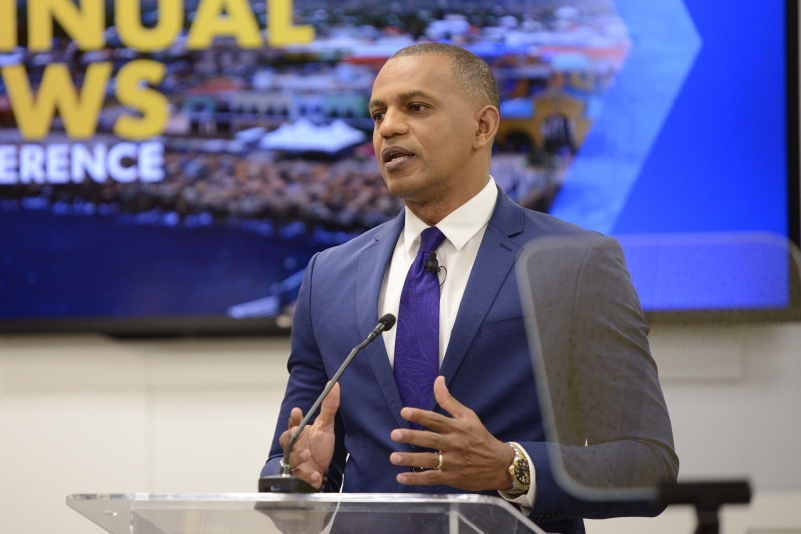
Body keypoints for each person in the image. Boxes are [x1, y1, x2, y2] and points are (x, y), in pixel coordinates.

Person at [261, 43, 678, 533]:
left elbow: (647, 466)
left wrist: (510, 467)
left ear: (483, 126)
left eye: (415, 107)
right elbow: (284, 466)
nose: (388, 127)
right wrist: (297, 477)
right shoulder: (328, 275)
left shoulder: (576, 262)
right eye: (378, 113)